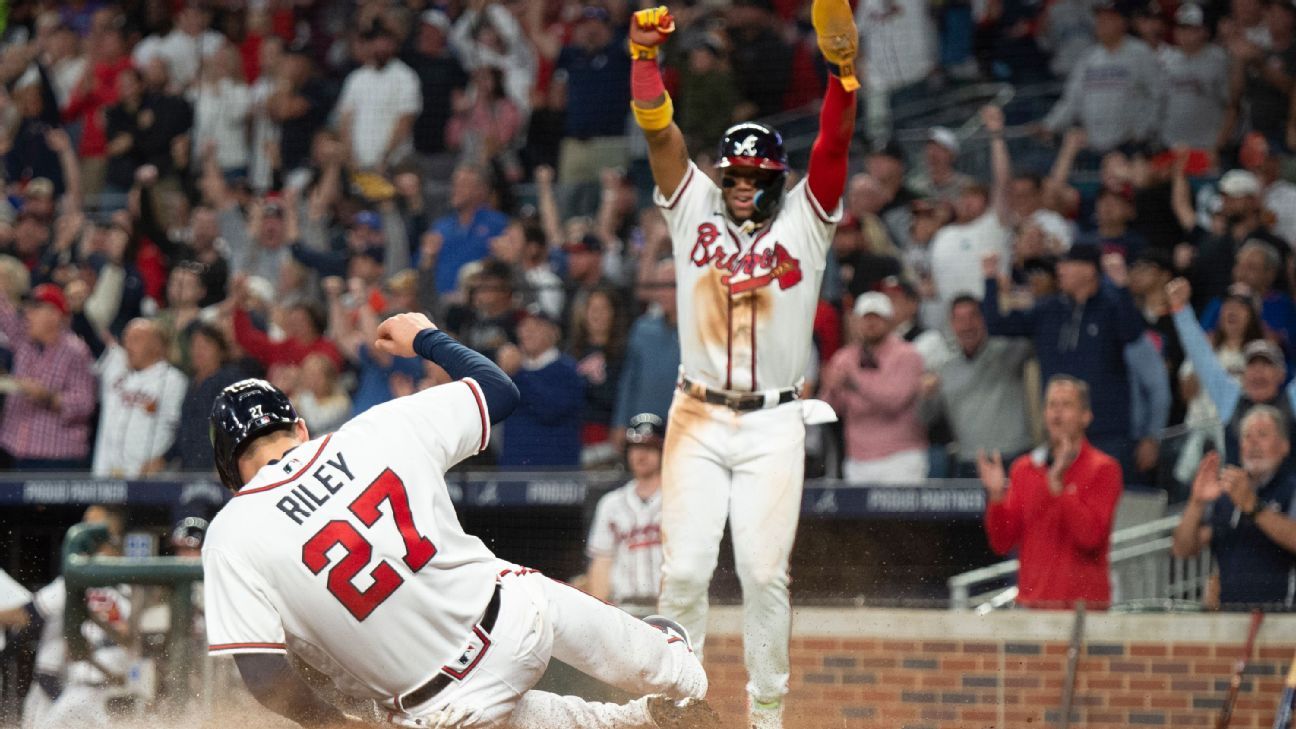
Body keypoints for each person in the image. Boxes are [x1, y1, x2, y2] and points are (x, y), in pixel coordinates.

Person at [203, 312, 717, 729]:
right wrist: (425, 336)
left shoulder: (231, 533)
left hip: (438, 713)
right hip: (515, 623)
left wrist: (336, 726)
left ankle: (641, 718)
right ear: (300, 426)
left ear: (232, 478)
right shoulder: (376, 428)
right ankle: (676, 687)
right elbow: (500, 392)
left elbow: (266, 675)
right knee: (660, 660)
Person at [628, 5, 856, 723]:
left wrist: (843, 79)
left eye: (754, 176)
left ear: (775, 179)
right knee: (687, 571)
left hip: (774, 418)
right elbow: (659, 130)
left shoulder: (807, 221)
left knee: (763, 575)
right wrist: (642, 56)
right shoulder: (692, 206)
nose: (739, 186)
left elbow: (833, 148)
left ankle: (766, 712)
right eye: (733, 175)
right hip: (695, 411)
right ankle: (675, 699)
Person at [982, 244, 1146, 467]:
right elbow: (996, 325)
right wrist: (990, 280)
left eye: (1068, 264)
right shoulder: (1048, 310)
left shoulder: (1110, 307)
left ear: (1089, 270)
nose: (1060, 269)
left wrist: (1122, 288)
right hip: (1060, 432)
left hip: (1108, 430)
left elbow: (1132, 333)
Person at [977, 376, 1124, 609]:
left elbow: (1091, 538)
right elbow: (1003, 543)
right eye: (1051, 405)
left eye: (1066, 405)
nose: (1057, 413)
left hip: (1084, 609)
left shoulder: (1104, 469)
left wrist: (1058, 486)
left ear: (1086, 416)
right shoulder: (1024, 469)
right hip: (1033, 605)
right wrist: (996, 497)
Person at [1172, 406, 1296, 609]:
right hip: (1230, 618)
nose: (1253, 442)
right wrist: (1196, 502)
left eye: (1263, 435)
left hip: (1283, 619)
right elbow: (1182, 549)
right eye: (1247, 437)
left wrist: (1252, 506)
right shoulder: (1226, 493)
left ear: (1284, 446)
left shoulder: (1291, 489)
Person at [1169, 277, 1296, 464]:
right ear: (1243, 376)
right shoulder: (1229, 398)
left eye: (1267, 365)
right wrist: (1181, 310)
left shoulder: (1292, 400)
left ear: (1281, 375)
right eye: (1252, 366)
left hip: (1285, 489)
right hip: (1234, 485)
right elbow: (1201, 356)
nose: (1258, 373)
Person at [820, 293, 928, 483]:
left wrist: (854, 384)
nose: (870, 324)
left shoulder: (907, 354)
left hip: (900, 457)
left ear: (889, 320)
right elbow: (829, 409)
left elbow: (896, 400)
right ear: (856, 321)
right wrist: (831, 388)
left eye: (876, 318)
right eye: (866, 318)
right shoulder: (844, 357)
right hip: (857, 459)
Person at [932, 295, 1034, 477]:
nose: (967, 325)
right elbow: (925, 417)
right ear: (951, 324)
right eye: (960, 319)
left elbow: (1035, 336)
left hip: (1012, 454)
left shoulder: (1007, 351)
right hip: (969, 460)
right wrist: (925, 395)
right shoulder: (945, 368)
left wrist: (1013, 305)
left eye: (973, 316)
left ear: (984, 318)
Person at [0, 283, 96, 469]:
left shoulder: (76, 351)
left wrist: (48, 396)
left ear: (55, 315)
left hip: (55, 455)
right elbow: (4, 314)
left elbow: (85, 403)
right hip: (13, 447)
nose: (27, 314)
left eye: (35, 309)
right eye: (28, 308)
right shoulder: (24, 341)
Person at [586, 414, 667, 616]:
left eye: (650, 448)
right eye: (636, 447)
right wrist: (600, 611)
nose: (641, 455)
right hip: (624, 608)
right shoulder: (611, 504)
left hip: (667, 607)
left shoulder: (679, 501)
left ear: (663, 452)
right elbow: (602, 562)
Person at [91, 318, 187, 477]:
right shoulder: (117, 373)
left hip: (149, 482)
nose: (127, 346)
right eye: (126, 339)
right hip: (107, 478)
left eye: (136, 339)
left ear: (157, 345)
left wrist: (163, 459)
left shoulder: (173, 381)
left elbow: (181, 432)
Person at [495, 308, 585, 468]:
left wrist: (518, 373)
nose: (527, 331)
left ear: (554, 332)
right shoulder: (509, 372)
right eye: (523, 326)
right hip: (514, 472)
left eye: (536, 325)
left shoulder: (567, 369)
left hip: (555, 475)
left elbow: (551, 410)